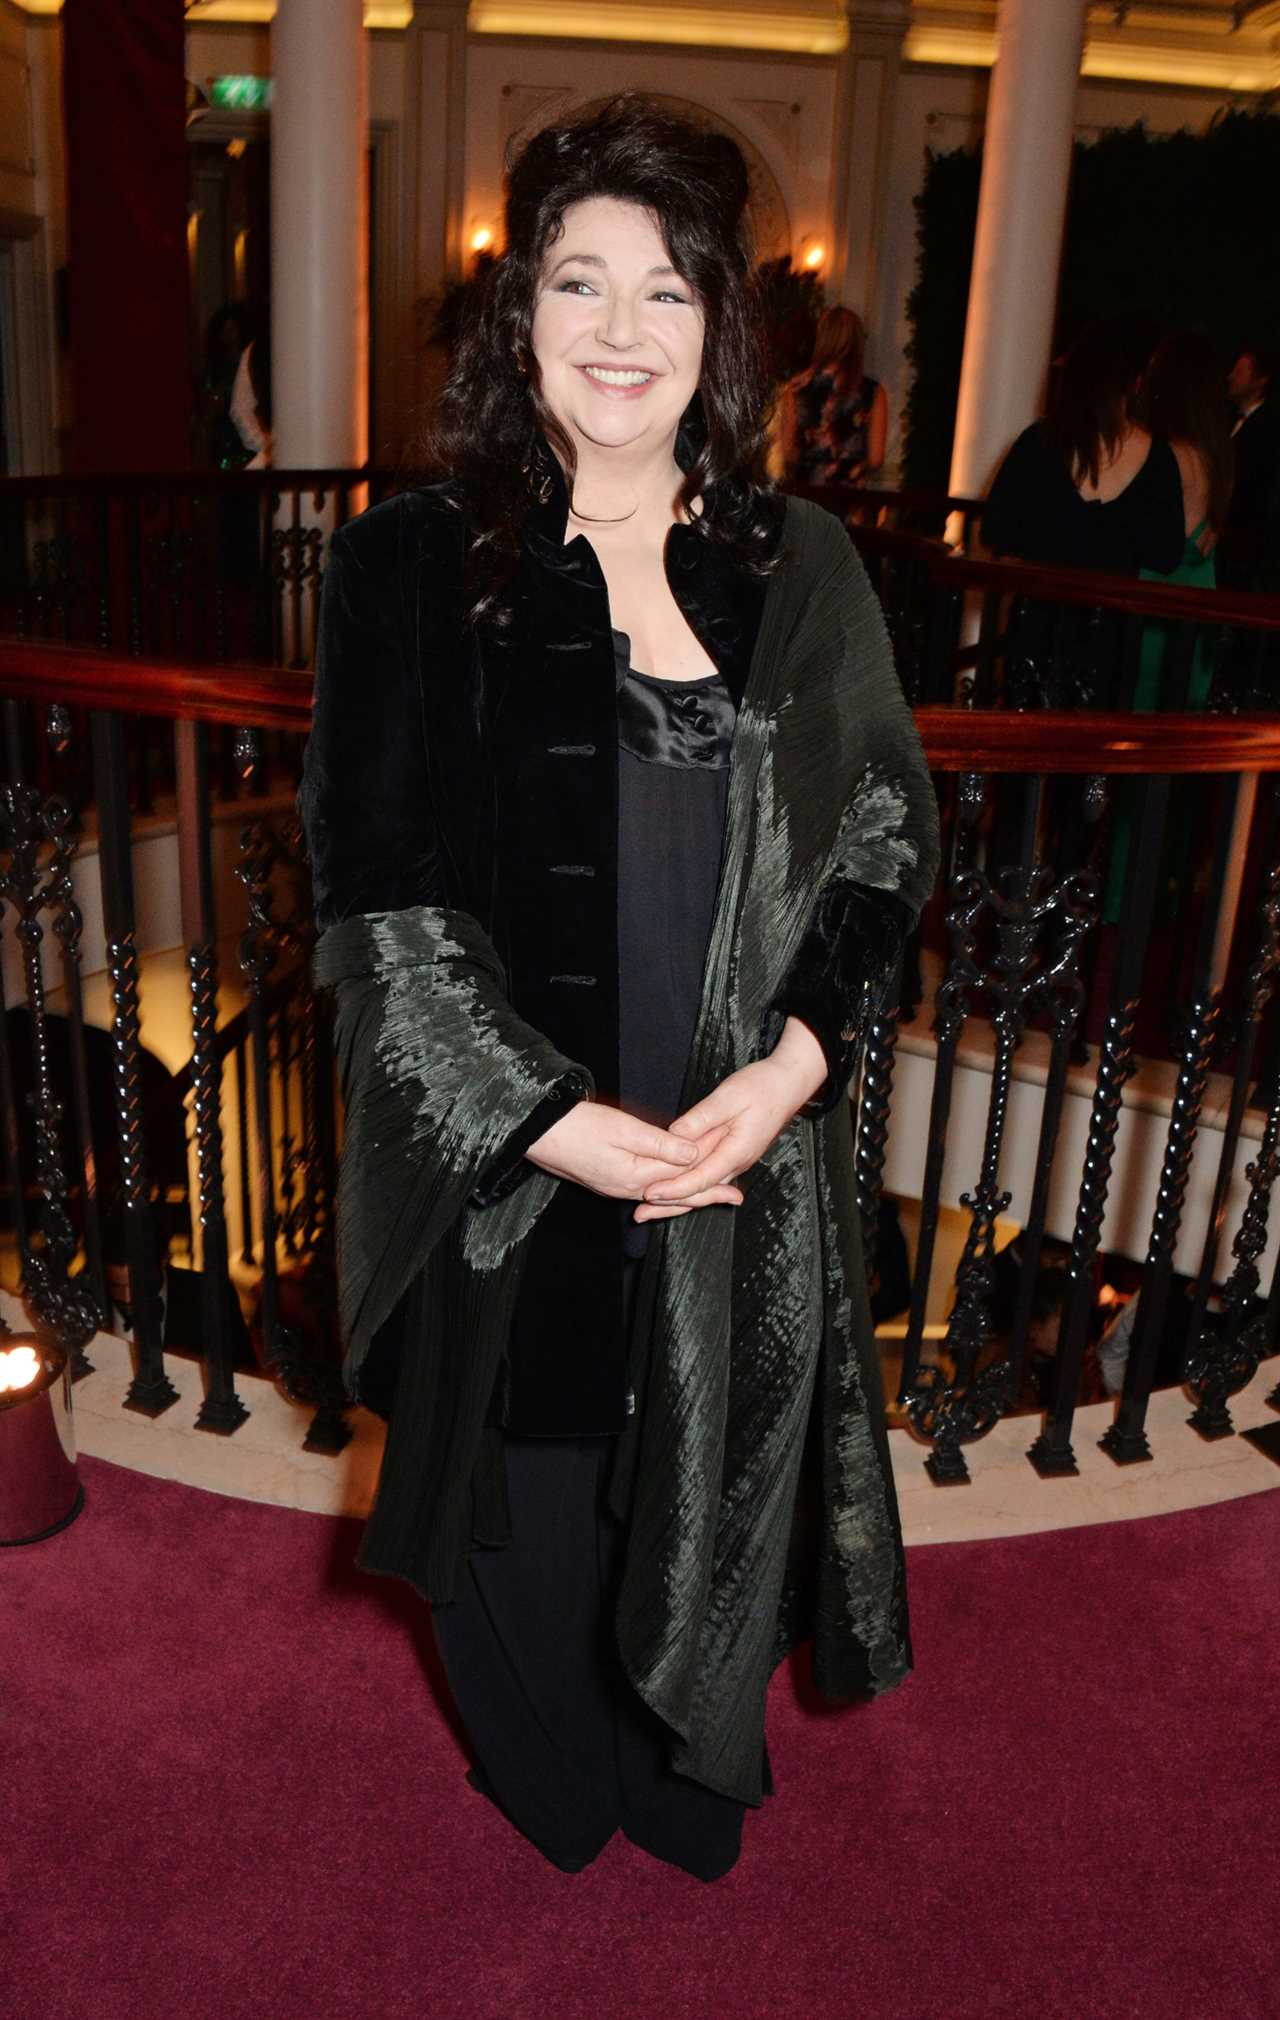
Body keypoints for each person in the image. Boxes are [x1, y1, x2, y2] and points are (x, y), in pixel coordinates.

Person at [299, 95, 939, 1882]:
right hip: (513, 1177)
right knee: (533, 1534)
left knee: (709, 1475)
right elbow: (386, 911)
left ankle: (685, 1743)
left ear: (726, 325)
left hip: (747, 1157)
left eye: (667, 292)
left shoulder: (799, 570)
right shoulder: (410, 570)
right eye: (579, 282)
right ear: (521, 316)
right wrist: (560, 1128)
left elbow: (887, 837)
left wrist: (800, 1061)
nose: (619, 331)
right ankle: (552, 1768)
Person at [778, 304, 888, 488]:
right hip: (850, 496)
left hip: (808, 494)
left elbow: (787, 452)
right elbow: (876, 458)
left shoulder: (796, 390)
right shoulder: (873, 393)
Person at [1218, 342, 1280, 590]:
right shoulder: (1227, 421)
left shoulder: (1269, 428)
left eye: (1240, 371)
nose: (1231, 376)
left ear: (1261, 379)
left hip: (1245, 544)